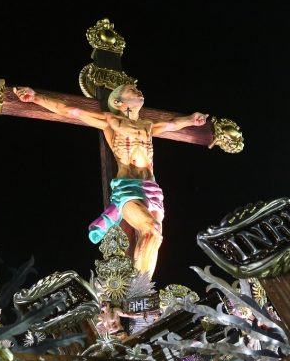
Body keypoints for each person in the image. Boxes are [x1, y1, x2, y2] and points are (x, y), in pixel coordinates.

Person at [13, 84, 207, 278]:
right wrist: (36, 97)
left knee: (154, 239)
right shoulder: (111, 121)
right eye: (131, 89)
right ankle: (138, 290)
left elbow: (173, 124)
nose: (138, 90)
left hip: (152, 189)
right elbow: (71, 111)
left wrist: (192, 120)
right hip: (128, 188)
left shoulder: (148, 125)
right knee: (151, 229)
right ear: (118, 102)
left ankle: (141, 290)